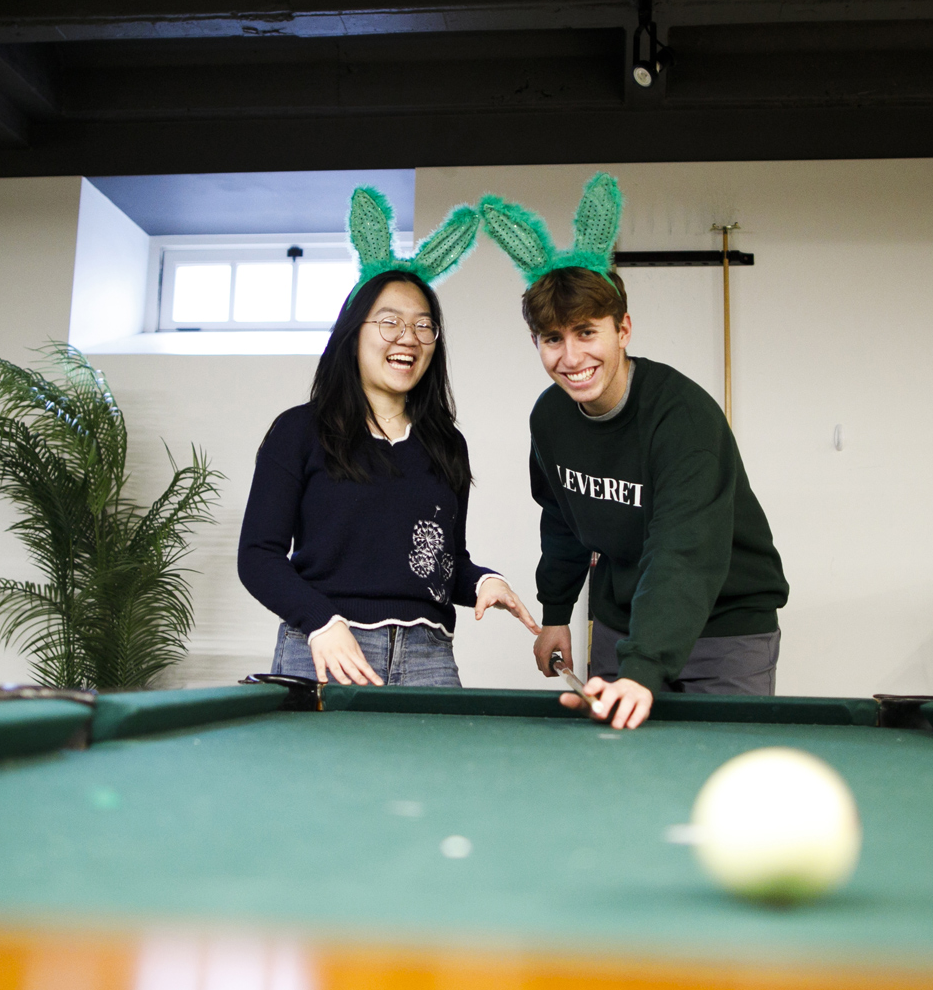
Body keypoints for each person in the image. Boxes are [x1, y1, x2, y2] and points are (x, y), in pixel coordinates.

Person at [475, 174, 788, 730]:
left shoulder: (682, 418)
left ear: (623, 329)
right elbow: (563, 518)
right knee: (616, 773)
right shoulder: (550, 418)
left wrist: (642, 670)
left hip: (726, 627)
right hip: (622, 623)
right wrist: (555, 616)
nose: (571, 358)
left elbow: (683, 553)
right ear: (536, 343)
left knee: (717, 776)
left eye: (586, 332)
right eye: (553, 339)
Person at [239, 192, 537, 686]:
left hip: (429, 657)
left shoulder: (447, 444)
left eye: (424, 326)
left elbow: (441, 561)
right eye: (390, 322)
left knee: (439, 768)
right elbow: (258, 556)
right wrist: (320, 622)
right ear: (354, 333)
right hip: (329, 649)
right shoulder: (299, 430)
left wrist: (484, 580)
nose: (409, 337)